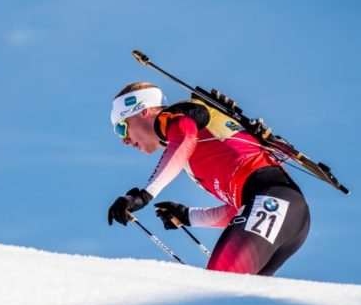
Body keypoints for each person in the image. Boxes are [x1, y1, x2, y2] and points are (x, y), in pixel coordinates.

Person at [107, 82, 310, 276]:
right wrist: (188, 216)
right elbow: (239, 209)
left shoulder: (176, 116)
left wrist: (144, 195)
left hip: (275, 200)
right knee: (237, 304)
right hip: (286, 212)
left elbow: (184, 136)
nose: (124, 140)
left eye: (121, 127)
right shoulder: (194, 156)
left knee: (219, 285)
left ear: (144, 111)